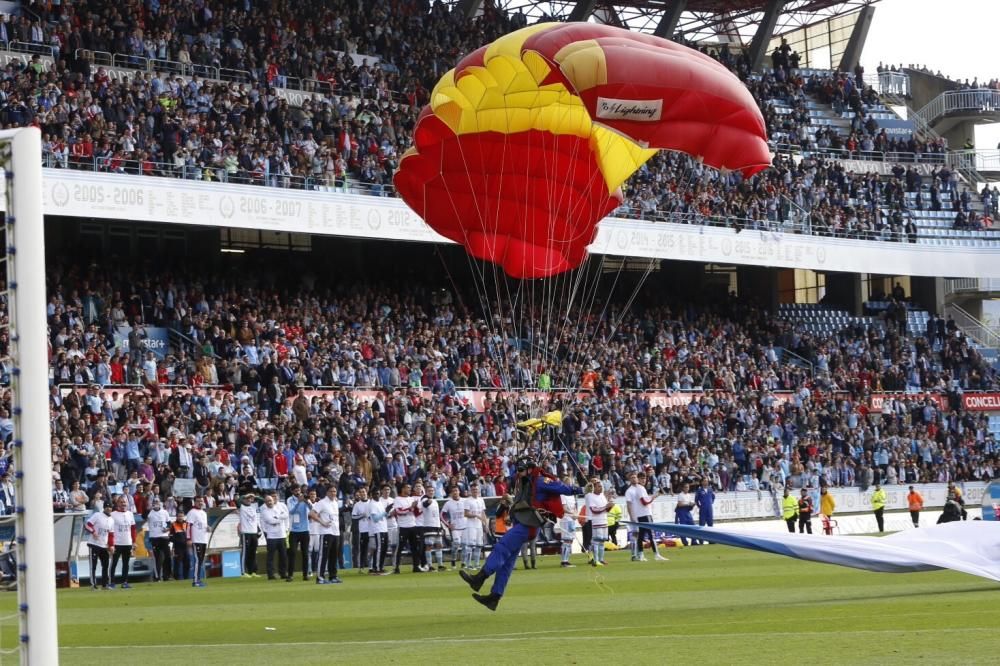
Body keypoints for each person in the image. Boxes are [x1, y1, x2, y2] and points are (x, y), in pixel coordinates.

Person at [459, 459, 580, 611]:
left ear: (530, 469)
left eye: (522, 469)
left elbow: (562, 488)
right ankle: (494, 597)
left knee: (501, 547)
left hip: (528, 525)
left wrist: (579, 489)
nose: (519, 472)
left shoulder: (541, 481)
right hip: (522, 523)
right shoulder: (524, 483)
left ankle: (480, 578)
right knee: (507, 563)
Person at [625, 471, 667, 561]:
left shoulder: (639, 488)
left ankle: (641, 555)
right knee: (649, 535)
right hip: (643, 514)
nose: (635, 479)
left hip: (643, 513)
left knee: (641, 535)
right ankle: (655, 554)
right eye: (632, 477)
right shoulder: (635, 490)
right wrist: (653, 497)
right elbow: (643, 502)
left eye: (635, 477)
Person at [311, 485, 343, 584]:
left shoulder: (335, 502)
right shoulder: (322, 503)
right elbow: (312, 513)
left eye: (335, 491)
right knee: (323, 555)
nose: (333, 493)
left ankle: (333, 575)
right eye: (331, 491)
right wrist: (322, 522)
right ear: (327, 492)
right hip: (326, 532)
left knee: (334, 555)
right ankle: (320, 576)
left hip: (335, 532)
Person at [391, 483, 422, 574]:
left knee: (414, 547)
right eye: (407, 488)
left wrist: (416, 508)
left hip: (413, 525)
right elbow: (399, 511)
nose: (409, 489)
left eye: (410, 488)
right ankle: (396, 567)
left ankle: (416, 566)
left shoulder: (412, 498)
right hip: (403, 527)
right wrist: (410, 508)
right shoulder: (397, 499)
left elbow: (417, 513)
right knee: (400, 548)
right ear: (403, 489)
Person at [260, 492, 291, 581]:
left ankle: (283, 573)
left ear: (273, 501)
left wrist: (277, 517)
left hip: (282, 535)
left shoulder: (279, 507)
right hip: (271, 536)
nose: (269, 502)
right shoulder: (264, 511)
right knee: (271, 556)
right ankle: (271, 574)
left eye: (270, 500)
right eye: (267, 501)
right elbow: (270, 521)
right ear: (265, 503)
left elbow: (286, 515)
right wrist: (279, 518)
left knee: (283, 556)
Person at [109, 496, 136, 589]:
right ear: (117, 503)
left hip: (127, 542)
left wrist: (134, 542)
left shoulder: (130, 514)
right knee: (114, 563)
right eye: (121, 502)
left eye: (124, 502)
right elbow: (110, 530)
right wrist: (111, 544)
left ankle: (124, 582)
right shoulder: (113, 514)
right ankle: (111, 582)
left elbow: (133, 529)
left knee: (126, 563)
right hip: (117, 543)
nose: (123, 504)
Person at [84, 503, 114, 590]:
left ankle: (105, 585)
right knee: (93, 565)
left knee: (105, 565)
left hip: (104, 545)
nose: (109, 509)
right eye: (107, 507)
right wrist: (93, 532)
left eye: (110, 507)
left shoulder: (111, 519)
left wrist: (111, 545)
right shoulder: (97, 515)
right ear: (104, 508)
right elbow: (87, 524)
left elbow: (111, 534)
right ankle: (93, 584)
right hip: (94, 543)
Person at [585, 478, 613, 566]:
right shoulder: (591, 496)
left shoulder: (602, 496)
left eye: (601, 486)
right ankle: (595, 559)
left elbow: (605, 509)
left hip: (604, 520)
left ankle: (601, 559)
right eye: (599, 486)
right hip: (596, 521)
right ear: (594, 488)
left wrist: (610, 506)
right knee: (596, 541)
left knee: (602, 541)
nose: (601, 488)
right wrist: (606, 507)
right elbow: (594, 510)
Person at [286, 486, 311, 580]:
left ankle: (305, 574)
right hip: (294, 531)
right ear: (292, 491)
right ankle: (290, 575)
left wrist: (306, 501)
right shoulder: (290, 500)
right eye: (295, 490)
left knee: (305, 553)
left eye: (299, 490)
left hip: (305, 530)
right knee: (292, 552)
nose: (298, 492)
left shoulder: (305, 499)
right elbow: (291, 511)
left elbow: (312, 509)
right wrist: (298, 502)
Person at [420, 483, 445, 572]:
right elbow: (425, 505)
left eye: (432, 491)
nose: (431, 492)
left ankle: (440, 565)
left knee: (439, 545)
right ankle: (430, 565)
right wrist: (427, 501)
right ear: (426, 492)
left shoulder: (435, 501)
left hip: (437, 526)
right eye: (429, 491)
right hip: (428, 526)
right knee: (429, 545)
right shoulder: (424, 499)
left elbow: (437, 515)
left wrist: (440, 526)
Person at [146, 498, 172, 581]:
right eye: (154, 502)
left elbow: (169, 523)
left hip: (164, 537)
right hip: (154, 538)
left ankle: (166, 576)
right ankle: (156, 577)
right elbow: (144, 516)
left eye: (157, 502)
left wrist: (167, 529)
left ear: (160, 503)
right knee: (158, 558)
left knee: (167, 556)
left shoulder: (164, 512)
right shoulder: (150, 513)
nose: (155, 503)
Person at [442, 486, 467, 570]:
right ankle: (453, 559)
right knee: (456, 543)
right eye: (453, 491)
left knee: (465, 545)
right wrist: (447, 524)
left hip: (465, 526)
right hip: (455, 527)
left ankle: (463, 563)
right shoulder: (448, 503)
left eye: (456, 490)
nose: (455, 492)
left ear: (459, 491)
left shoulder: (465, 501)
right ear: (451, 493)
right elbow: (442, 515)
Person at [186, 496, 209, 587]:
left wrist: (208, 528)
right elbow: (188, 526)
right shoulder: (192, 512)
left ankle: (198, 579)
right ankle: (195, 581)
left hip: (203, 539)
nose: (200, 503)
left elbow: (203, 525)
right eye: (198, 501)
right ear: (194, 502)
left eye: (201, 501)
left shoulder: (204, 513)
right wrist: (189, 538)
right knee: (197, 560)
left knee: (200, 560)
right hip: (196, 540)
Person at [463, 484, 487, 570]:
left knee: (479, 545)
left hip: (479, 526)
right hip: (471, 526)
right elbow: (466, 513)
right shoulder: (468, 500)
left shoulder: (481, 500)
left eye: (476, 489)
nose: (475, 491)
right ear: (470, 491)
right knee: (470, 545)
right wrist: (476, 515)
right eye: (473, 490)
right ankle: (468, 564)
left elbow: (483, 513)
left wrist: (485, 524)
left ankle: (476, 564)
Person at [237, 493, 261, 577]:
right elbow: (239, 500)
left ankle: (252, 571)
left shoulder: (254, 507)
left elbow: (262, 500)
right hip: (246, 533)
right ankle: (243, 572)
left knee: (253, 552)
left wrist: (255, 496)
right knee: (245, 552)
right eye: (247, 499)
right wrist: (247, 495)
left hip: (254, 533)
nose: (249, 500)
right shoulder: (242, 507)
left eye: (250, 499)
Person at [351, 488, 371, 573]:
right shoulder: (357, 505)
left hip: (372, 529)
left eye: (364, 492)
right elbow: (353, 517)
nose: (362, 493)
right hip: (363, 530)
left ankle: (373, 566)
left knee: (373, 548)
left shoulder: (371, 502)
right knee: (363, 549)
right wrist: (362, 515)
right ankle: (361, 567)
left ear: (366, 493)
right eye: (361, 492)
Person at [694, 477, 716, 545]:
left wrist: (711, 502)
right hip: (703, 509)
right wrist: (699, 506)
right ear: (702, 482)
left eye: (707, 481)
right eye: (704, 481)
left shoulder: (710, 489)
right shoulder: (699, 490)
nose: (706, 482)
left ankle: (711, 540)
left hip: (709, 509)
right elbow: (696, 500)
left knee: (710, 525)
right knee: (701, 525)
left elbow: (713, 497)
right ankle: (701, 541)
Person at [169, 512, 190, 580]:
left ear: (184, 517)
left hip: (186, 547)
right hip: (177, 547)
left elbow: (189, 534)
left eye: (182, 516)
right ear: (176, 517)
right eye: (179, 516)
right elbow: (170, 537)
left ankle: (186, 578)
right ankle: (177, 578)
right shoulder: (173, 524)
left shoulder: (186, 524)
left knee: (187, 563)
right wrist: (177, 541)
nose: (180, 518)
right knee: (177, 563)